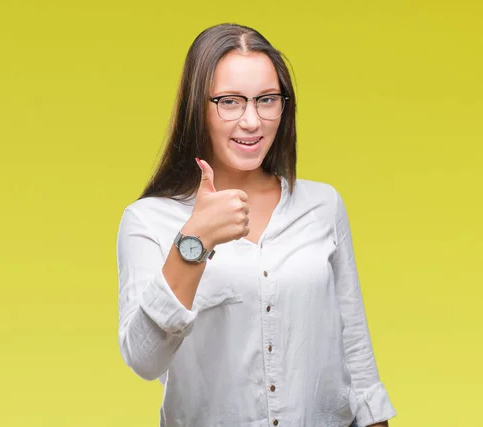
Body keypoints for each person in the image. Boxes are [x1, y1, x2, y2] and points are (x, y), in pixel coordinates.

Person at [116, 23, 396, 427]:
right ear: (198, 106)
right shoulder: (148, 220)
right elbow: (144, 360)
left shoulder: (323, 205)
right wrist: (194, 241)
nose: (252, 121)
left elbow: (355, 350)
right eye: (230, 102)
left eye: (267, 100)